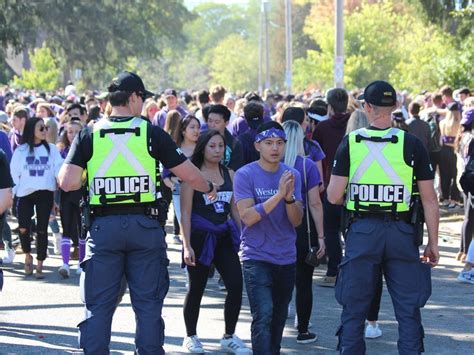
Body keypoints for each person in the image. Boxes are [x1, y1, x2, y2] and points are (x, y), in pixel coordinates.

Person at [58, 71, 218, 354]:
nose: (143, 104)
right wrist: (208, 187)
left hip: (103, 228)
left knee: (98, 307)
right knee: (147, 307)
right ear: (133, 98)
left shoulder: (89, 134)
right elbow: (188, 174)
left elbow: (67, 181)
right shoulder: (151, 132)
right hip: (145, 228)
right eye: (142, 98)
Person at [327, 80, 439, 354]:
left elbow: (332, 196)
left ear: (366, 107)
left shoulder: (350, 143)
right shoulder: (412, 143)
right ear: (396, 106)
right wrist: (433, 243)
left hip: (362, 231)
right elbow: (429, 199)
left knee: (354, 308)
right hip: (402, 232)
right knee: (408, 309)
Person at [233, 121, 303, 354]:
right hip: (257, 256)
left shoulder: (292, 174)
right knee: (263, 314)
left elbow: (297, 221)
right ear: (257, 145)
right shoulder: (245, 174)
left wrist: (290, 198)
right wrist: (279, 195)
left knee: (279, 317)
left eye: (280, 143)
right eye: (269, 143)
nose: (275, 148)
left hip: (286, 257)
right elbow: (248, 216)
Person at [180, 130, 250, 353]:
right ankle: (191, 336)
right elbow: (185, 212)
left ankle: (229, 336)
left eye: (221, 146)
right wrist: (186, 245)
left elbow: (235, 209)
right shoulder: (192, 175)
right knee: (196, 289)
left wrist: (244, 235)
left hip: (223, 237)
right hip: (200, 238)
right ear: (202, 147)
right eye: (212, 146)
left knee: (236, 285)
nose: (218, 150)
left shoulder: (230, 173)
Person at [282, 120, 325, 344]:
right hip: (302, 228)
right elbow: (315, 203)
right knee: (304, 280)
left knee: (276, 277)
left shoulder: (270, 164)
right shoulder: (307, 166)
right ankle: (303, 329)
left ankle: (274, 325)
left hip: (275, 226)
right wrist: (321, 237)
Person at [10, 116, 64, 279]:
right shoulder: (21, 150)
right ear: (31, 129)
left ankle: (40, 262)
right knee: (23, 228)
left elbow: (59, 170)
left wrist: (57, 196)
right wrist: (13, 195)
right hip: (25, 194)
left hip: (45, 193)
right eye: (40, 128)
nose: (44, 131)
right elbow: (14, 174)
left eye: (45, 128)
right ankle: (28, 255)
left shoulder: (52, 150)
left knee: (42, 229)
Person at [313, 88, 350, 287]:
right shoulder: (355, 124)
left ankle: (333, 271)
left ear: (328, 106)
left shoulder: (322, 128)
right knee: (351, 230)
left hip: (330, 184)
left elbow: (318, 157)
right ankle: (352, 269)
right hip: (353, 186)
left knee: (331, 230)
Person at [57, 120, 84, 277]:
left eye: (76, 131)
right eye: (69, 132)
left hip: (81, 194)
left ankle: (81, 263)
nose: (73, 135)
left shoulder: (86, 151)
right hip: (66, 195)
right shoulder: (61, 152)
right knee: (66, 228)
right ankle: (65, 263)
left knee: (82, 229)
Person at [206, 104, 244, 171]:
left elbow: (236, 169)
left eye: (217, 122)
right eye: (210, 121)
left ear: (226, 123)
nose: (212, 125)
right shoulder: (201, 139)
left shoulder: (234, 143)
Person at [439, 102, 462, 208]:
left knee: (444, 175)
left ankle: (445, 198)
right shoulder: (459, 124)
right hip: (454, 151)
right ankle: (454, 198)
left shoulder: (442, 123)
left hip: (443, 150)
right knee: (455, 175)